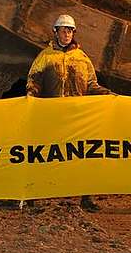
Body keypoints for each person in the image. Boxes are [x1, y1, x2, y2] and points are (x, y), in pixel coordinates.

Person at [25, 14, 111, 211]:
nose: (66, 34)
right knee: (44, 155)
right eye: (63, 30)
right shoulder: (45, 57)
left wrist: (107, 93)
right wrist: (32, 95)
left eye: (70, 30)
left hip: (76, 117)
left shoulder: (82, 58)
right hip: (52, 116)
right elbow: (34, 81)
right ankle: (32, 194)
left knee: (83, 156)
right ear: (55, 32)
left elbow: (91, 84)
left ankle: (86, 197)